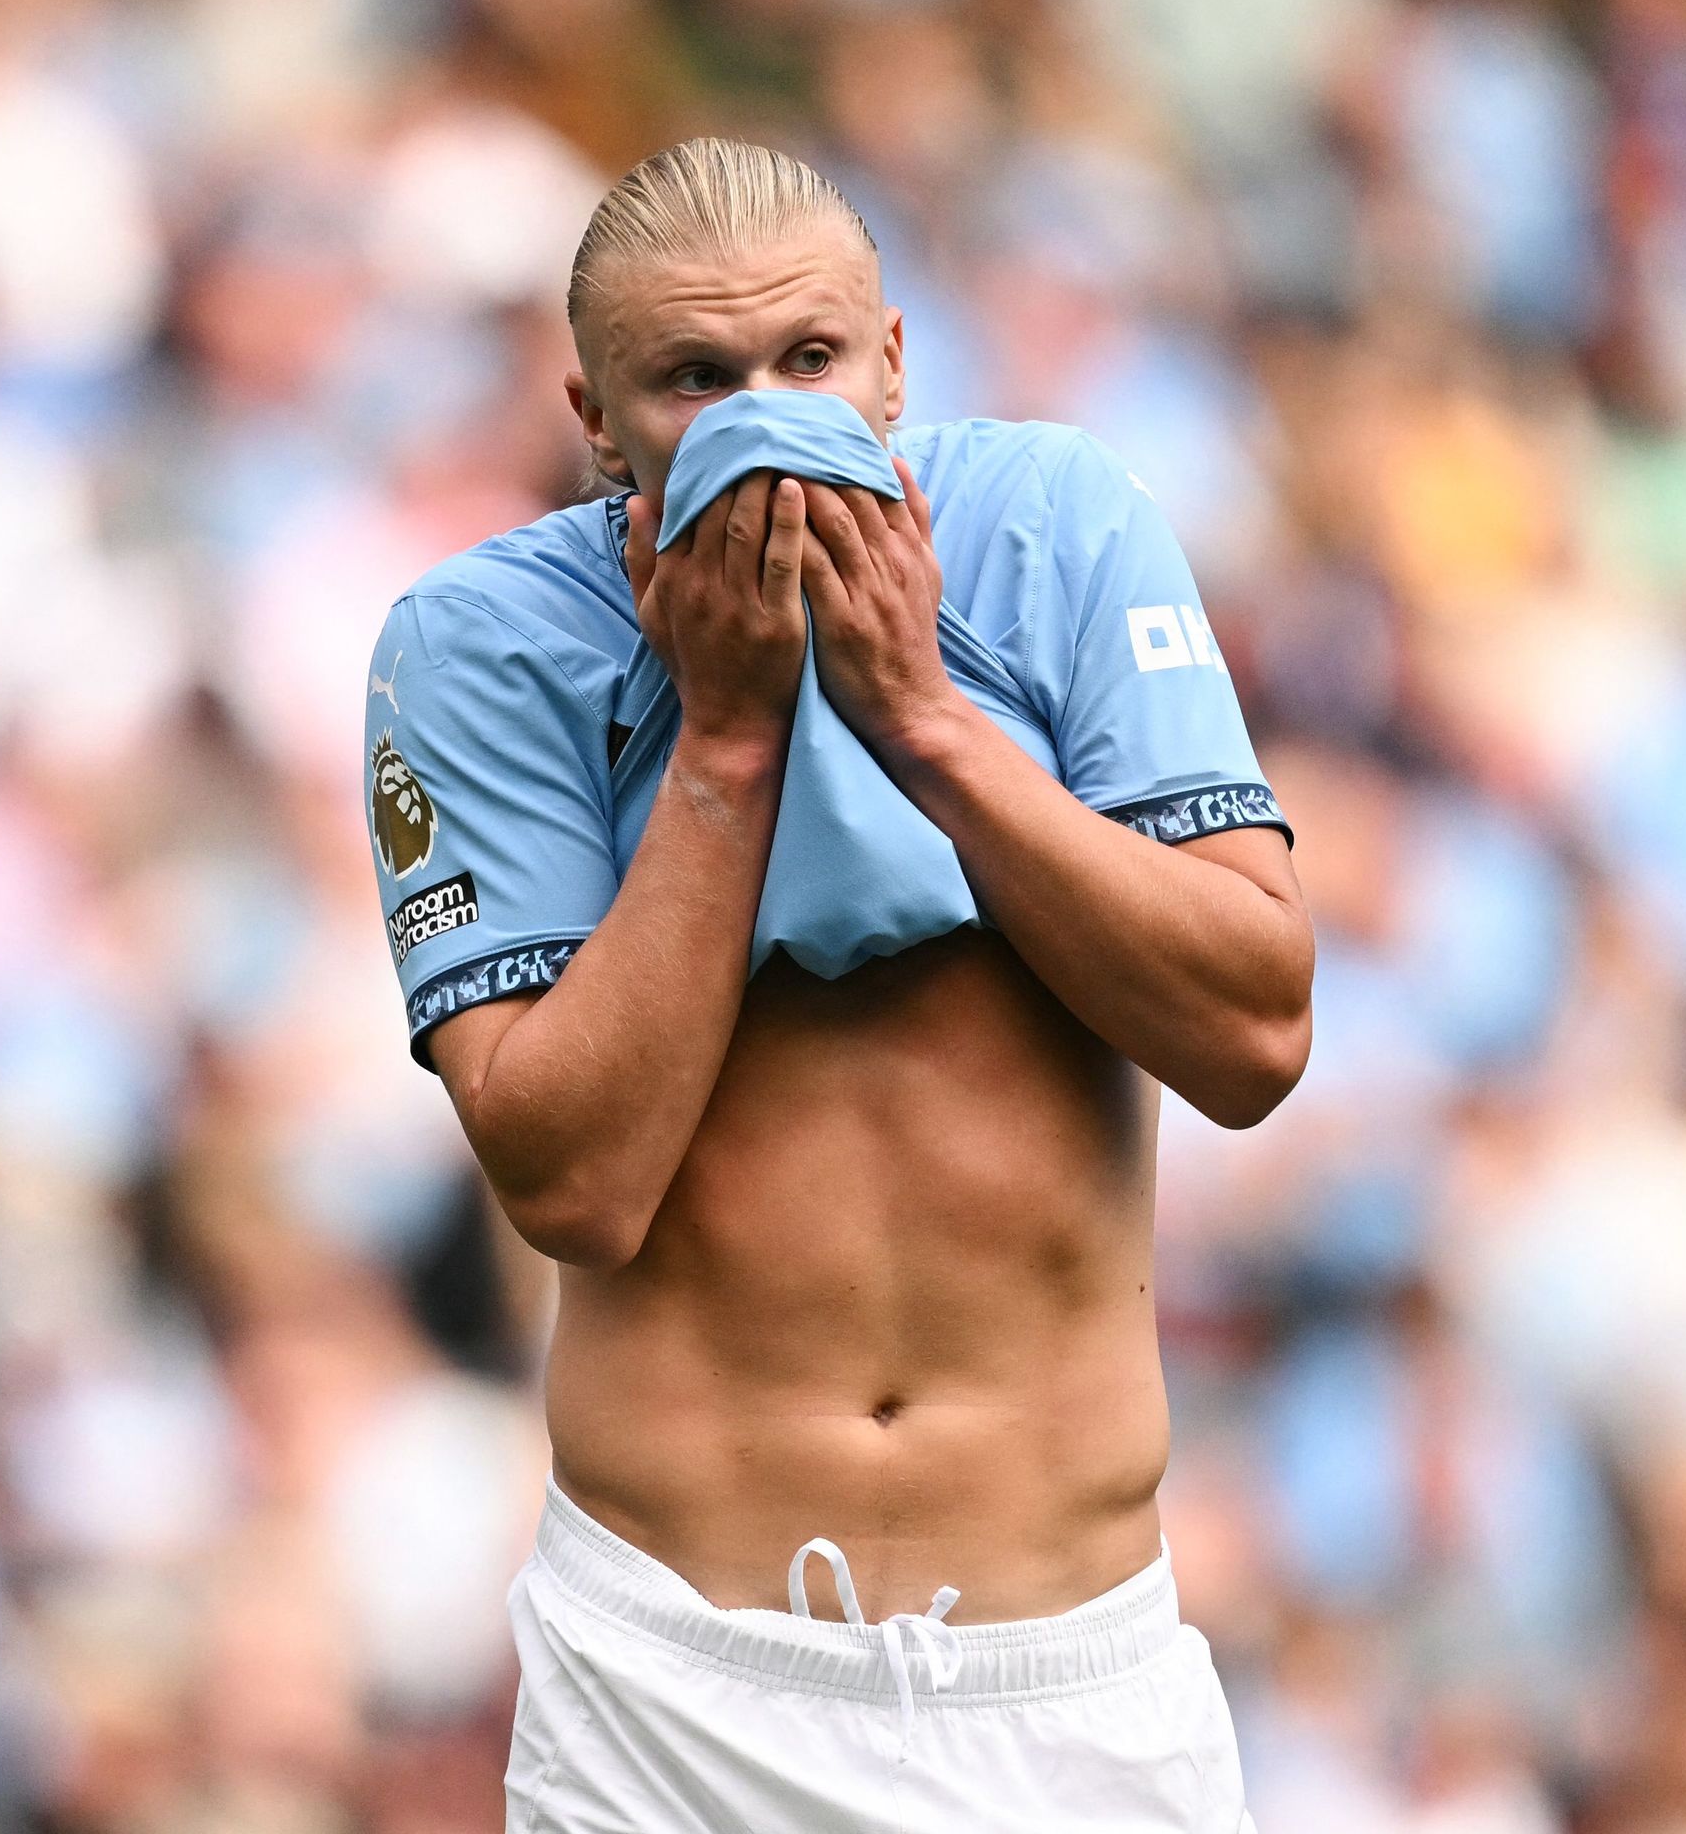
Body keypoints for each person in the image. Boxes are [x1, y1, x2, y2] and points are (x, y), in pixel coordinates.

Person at [360, 137, 1310, 1830]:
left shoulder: (1057, 528)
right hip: (673, 1689)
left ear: (893, 359)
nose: (763, 414)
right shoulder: (484, 645)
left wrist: (926, 716)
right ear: (597, 416)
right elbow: (574, 1184)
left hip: (1075, 1675)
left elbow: (1252, 1031)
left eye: (807, 361)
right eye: (695, 379)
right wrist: (728, 735)